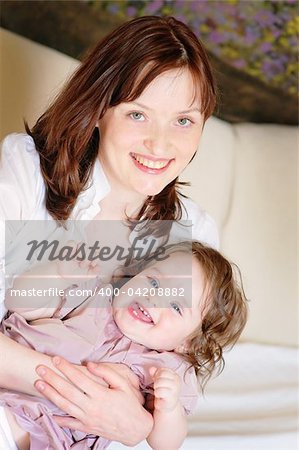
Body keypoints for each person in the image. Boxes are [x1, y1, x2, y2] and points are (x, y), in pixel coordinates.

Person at [0, 15, 219, 446]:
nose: (161, 146)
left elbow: (172, 378)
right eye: (138, 114)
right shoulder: (24, 170)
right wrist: (102, 401)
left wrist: (140, 423)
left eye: (183, 121)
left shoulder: (191, 236)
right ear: (99, 110)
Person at [0, 241, 248, 449]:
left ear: (188, 343)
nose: (155, 297)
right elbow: (19, 303)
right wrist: (57, 275)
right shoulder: (94, 297)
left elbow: (165, 444)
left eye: (175, 306)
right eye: (153, 282)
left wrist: (169, 408)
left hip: (35, 435)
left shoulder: (167, 369)